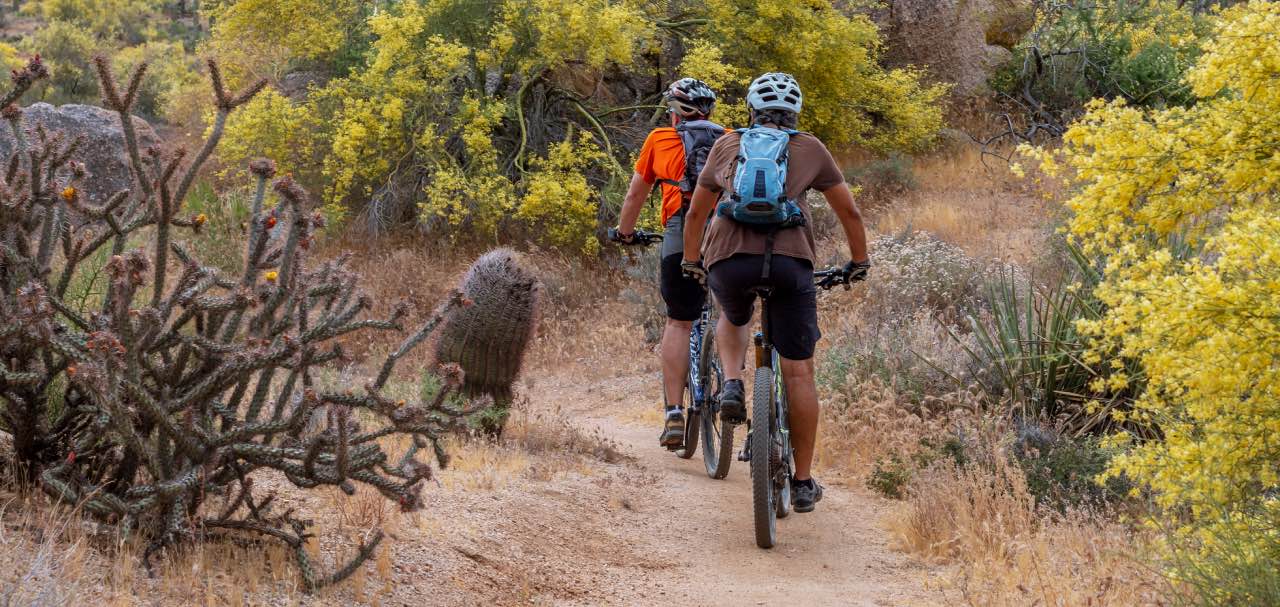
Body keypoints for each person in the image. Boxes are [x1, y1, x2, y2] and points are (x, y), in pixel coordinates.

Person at [680, 73, 870, 513]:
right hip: (790, 260)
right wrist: (858, 263)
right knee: (799, 373)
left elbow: (696, 213)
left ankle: (731, 383)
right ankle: (802, 483)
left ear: (750, 110)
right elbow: (850, 211)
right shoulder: (810, 148)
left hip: (729, 257)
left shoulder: (729, 144)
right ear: (796, 113)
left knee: (732, 315)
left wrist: (693, 260)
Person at [614, 78, 725, 449]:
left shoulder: (660, 140)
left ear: (675, 112)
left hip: (680, 231)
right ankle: (733, 393)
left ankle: (675, 413)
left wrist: (625, 232)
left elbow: (635, 194)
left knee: (679, 321)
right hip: (726, 236)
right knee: (731, 318)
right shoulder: (729, 139)